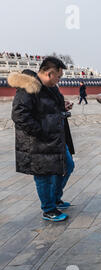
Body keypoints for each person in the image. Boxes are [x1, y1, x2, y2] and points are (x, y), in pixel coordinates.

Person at [8, 57, 75, 222]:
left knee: (67, 165)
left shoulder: (49, 88)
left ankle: (55, 198)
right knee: (43, 175)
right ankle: (49, 209)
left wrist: (62, 106)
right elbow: (19, 115)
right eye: (58, 77)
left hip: (55, 138)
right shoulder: (28, 88)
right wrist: (40, 131)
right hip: (37, 141)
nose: (59, 80)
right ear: (49, 73)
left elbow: (46, 108)